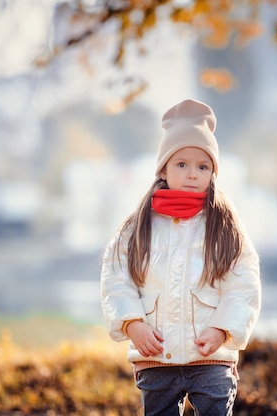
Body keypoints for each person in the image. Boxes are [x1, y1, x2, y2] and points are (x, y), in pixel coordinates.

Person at [100, 98, 261, 416]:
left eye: (203, 166)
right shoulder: (139, 225)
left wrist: (222, 329)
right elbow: (117, 277)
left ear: (213, 172)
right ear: (163, 168)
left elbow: (244, 282)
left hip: (211, 357)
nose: (192, 174)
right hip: (157, 355)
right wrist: (133, 324)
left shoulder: (224, 224)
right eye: (182, 164)